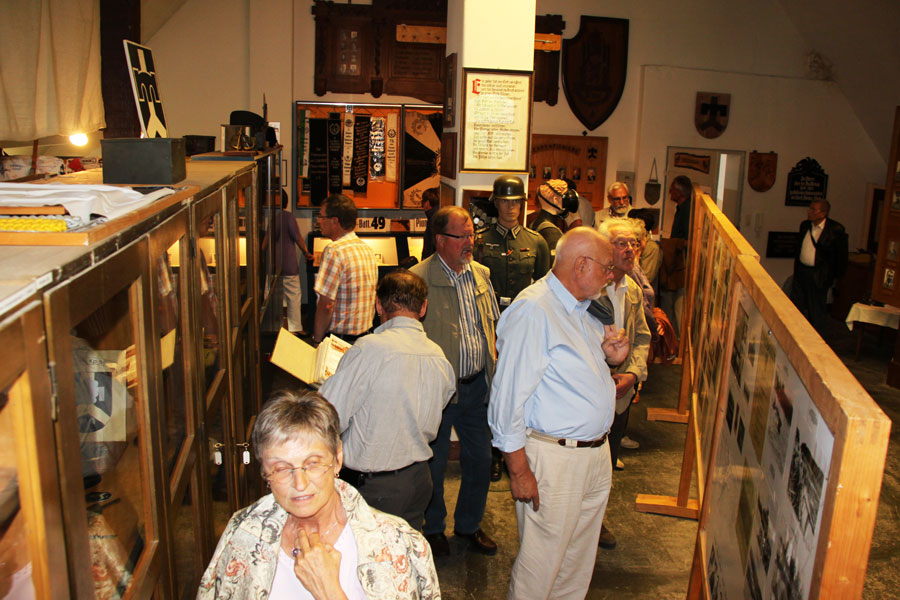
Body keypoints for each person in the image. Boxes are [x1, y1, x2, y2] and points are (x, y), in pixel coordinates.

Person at [488, 227, 630, 600]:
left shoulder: (586, 308)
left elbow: (574, 373)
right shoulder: (534, 310)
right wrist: (519, 470)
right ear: (581, 265)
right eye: (606, 267)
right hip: (555, 458)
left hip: (593, 454)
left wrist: (611, 358)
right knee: (541, 567)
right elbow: (507, 399)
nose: (610, 276)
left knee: (576, 564)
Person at [197, 391, 440, 599]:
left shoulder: (400, 545)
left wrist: (329, 591)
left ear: (337, 459)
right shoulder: (242, 534)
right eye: (281, 468)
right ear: (264, 473)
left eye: (312, 463)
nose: (300, 484)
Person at [319, 270, 455, 530]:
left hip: (375, 487)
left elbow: (328, 415)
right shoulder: (439, 356)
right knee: (406, 549)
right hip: (419, 480)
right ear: (423, 308)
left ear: (378, 305)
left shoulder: (369, 349)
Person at [410, 206, 501, 557]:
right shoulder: (418, 279)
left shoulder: (481, 275)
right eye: (460, 236)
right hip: (438, 392)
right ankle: (433, 529)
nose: (469, 242)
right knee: (433, 464)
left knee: (480, 459)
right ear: (440, 239)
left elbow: (491, 325)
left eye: (471, 235)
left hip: (476, 387)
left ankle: (468, 525)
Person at [475, 174, 551, 481]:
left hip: (523, 322)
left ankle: (518, 451)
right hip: (491, 321)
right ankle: (495, 452)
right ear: (496, 204)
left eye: (516, 202)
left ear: (523, 204)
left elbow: (545, 287)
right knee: (494, 387)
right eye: (505, 202)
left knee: (523, 385)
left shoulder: (536, 242)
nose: (511, 208)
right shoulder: (481, 241)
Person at [594, 218, 651, 548]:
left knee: (608, 462)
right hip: (587, 392)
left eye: (634, 243)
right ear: (604, 248)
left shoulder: (632, 290)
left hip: (620, 393)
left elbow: (642, 336)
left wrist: (633, 374)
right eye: (621, 243)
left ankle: (597, 521)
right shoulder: (589, 286)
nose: (630, 249)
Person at [313, 194, 378, 344]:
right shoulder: (366, 250)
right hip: (364, 340)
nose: (318, 221)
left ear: (335, 221)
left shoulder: (334, 251)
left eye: (321, 216)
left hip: (339, 341)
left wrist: (317, 340)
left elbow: (326, 305)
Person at [790, 199, 848, 333]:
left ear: (823, 213)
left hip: (819, 275)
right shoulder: (805, 225)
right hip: (802, 271)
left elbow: (841, 256)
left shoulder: (835, 230)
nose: (809, 212)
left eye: (813, 209)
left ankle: (816, 334)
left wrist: (835, 278)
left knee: (816, 308)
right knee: (796, 304)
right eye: (809, 208)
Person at [659, 175, 693, 337]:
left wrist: (673, 244)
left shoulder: (687, 210)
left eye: (672, 189)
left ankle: (677, 339)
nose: (670, 192)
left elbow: (689, 241)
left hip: (682, 264)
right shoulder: (682, 208)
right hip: (678, 262)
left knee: (678, 304)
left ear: (679, 193)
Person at [278, 190, 313, 333]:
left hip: (274, 266)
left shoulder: (273, 217)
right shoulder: (288, 217)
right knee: (293, 296)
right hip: (289, 264)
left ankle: (281, 327)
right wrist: (306, 252)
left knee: (279, 298)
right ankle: (295, 328)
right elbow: (297, 237)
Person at [529, 179, 572, 255]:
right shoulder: (551, 231)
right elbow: (556, 261)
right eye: (564, 197)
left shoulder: (536, 223)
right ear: (555, 199)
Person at [421, 187, 439, 260]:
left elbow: (431, 245)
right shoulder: (439, 215)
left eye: (423, 202)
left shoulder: (432, 219)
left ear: (427, 203)